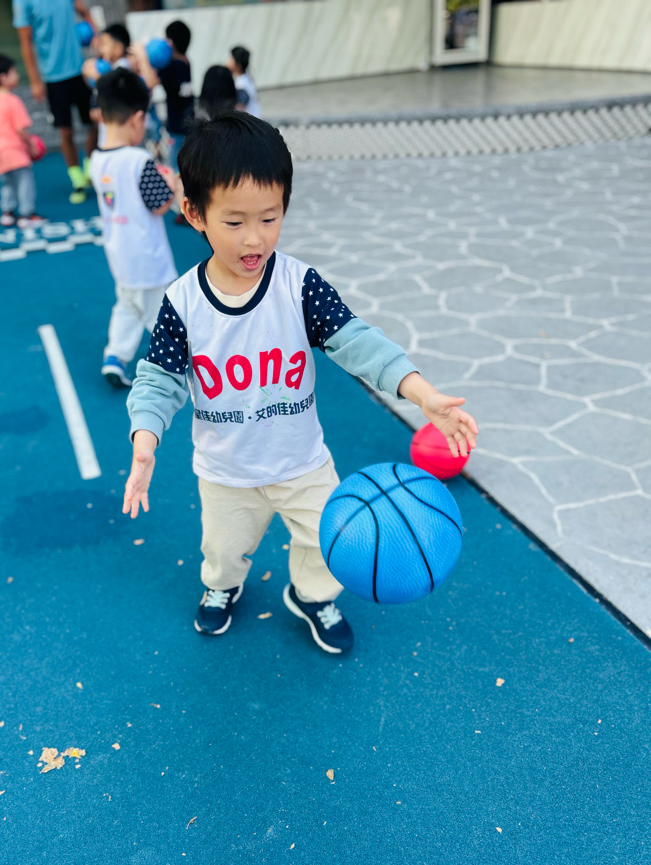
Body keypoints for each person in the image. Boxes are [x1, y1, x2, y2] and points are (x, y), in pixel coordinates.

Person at [122, 112, 478, 654]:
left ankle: (311, 595)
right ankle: (222, 586)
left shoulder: (298, 285)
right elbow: (158, 380)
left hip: (302, 462)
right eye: (235, 222)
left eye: (270, 218)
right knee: (223, 548)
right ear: (194, 214)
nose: (255, 238)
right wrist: (145, 438)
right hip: (226, 470)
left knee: (326, 541)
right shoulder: (183, 302)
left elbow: (358, 342)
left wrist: (422, 393)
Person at [89, 68, 181, 388]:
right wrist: (171, 184)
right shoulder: (138, 160)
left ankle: (115, 356)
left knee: (127, 306)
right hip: (149, 258)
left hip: (120, 256)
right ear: (138, 118)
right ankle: (173, 365)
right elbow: (159, 204)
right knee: (164, 313)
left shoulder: (97, 159)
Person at [13, 0, 98, 203]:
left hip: (81, 70)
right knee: (66, 131)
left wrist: (96, 33)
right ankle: (77, 180)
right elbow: (25, 43)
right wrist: (35, 81)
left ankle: (90, 168)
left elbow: (83, 10)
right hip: (53, 78)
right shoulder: (22, 2)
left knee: (96, 121)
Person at [0, 54, 45, 227]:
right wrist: (30, 145)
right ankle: (27, 214)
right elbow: (21, 129)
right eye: (14, 72)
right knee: (25, 181)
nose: (17, 75)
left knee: (7, 183)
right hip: (15, 150)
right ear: (3, 77)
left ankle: (8, 212)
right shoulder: (13, 100)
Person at [157, 19, 194, 173]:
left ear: (170, 42)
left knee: (173, 167)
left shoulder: (172, 66)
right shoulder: (185, 62)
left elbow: (152, 80)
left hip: (177, 125)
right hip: (188, 121)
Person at [227, 46, 260, 117]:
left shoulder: (241, 84)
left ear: (238, 65)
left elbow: (240, 106)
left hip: (248, 120)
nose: (228, 61)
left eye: (231, 59)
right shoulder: (245, 79)